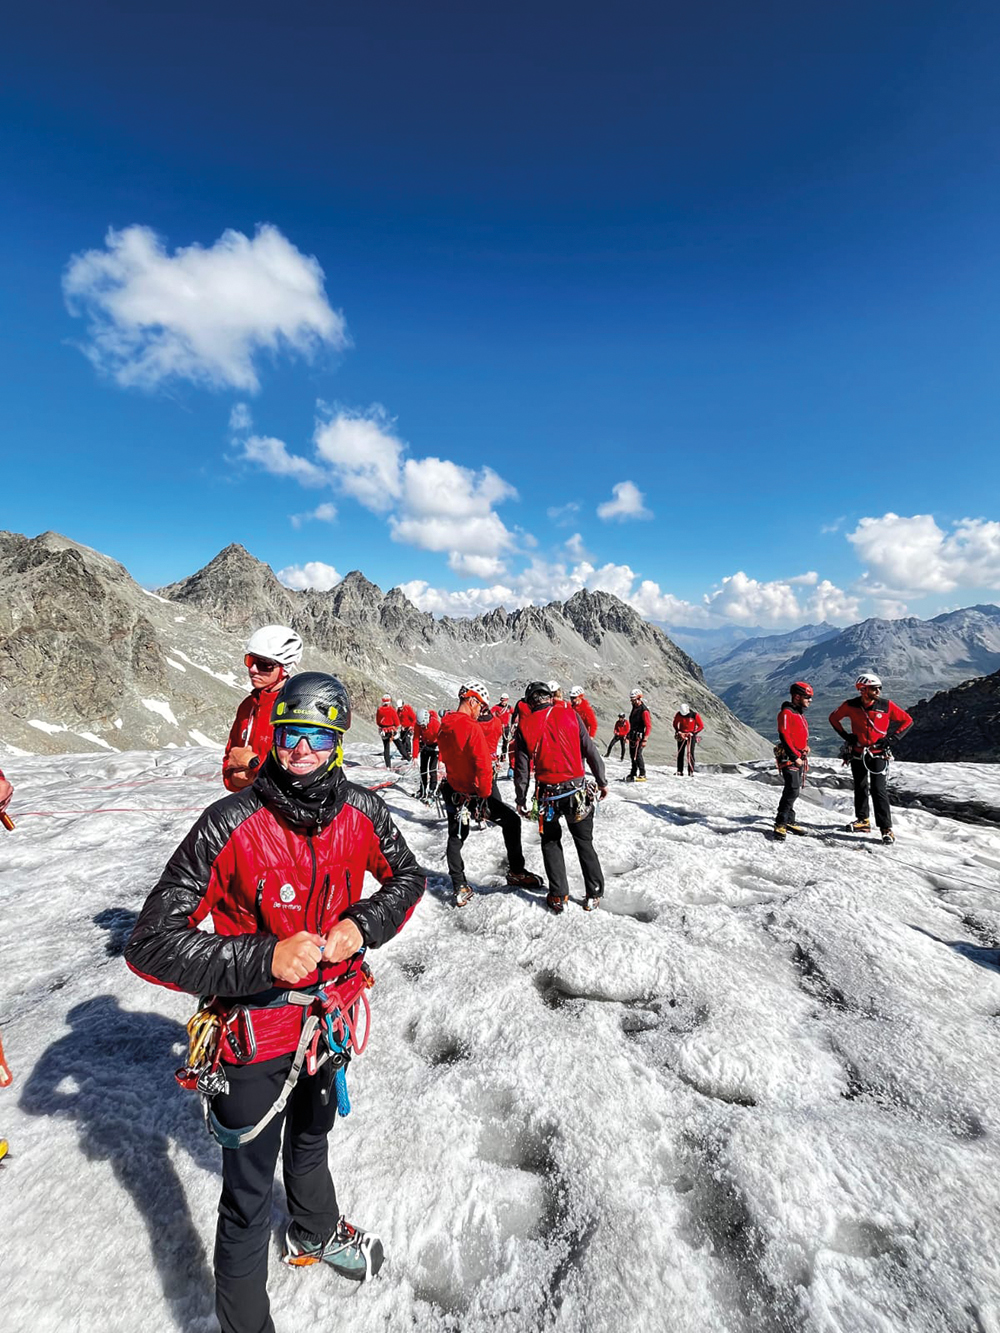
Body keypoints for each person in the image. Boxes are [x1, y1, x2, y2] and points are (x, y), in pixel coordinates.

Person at [125, 673, 424, 1333]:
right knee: (247, 1197)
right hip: (254, 1032)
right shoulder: (229, 823)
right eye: (289, 735)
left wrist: (363, 923)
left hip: (328, 1021)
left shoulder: (362, 812)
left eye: (317, 735)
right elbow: (150, 941)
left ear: (338, 742)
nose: (301, 750)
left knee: (313, 1137)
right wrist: (263, 958)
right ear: (274, 737)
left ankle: (314, 1229)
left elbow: (407, 876)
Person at [437, 681, 544, 906]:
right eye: (481, 706)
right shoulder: (471, 727)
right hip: (474, 793)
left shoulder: (445, 724)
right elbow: (483, 765)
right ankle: (516, 871)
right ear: (472, 701)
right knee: (512, 822)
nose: (481, 711)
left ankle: (459, 885)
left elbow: (446, 757)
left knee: (456, 837)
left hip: (454, 791)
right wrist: (485, 796)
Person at [513, 682, 608, 914]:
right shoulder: (571, 715)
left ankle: (558, 895)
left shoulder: (525, 726)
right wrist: (602, 781)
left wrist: (520, 798)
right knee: (584, 842)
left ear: (530, 702)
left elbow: (522, 769)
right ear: (550, 697)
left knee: (550, 842)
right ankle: (594, 892)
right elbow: (590, 750)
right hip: (577, 792)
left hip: (547, 796)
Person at [829, 673, 913, 844]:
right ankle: (863, 821)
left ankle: (886, 828)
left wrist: (892, 739)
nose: (878, 691)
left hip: (878, 754)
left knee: (878, 789)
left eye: (879, 688)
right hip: (858, 752)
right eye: (874, 688)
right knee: (860, 786)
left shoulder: (886, 705)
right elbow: (834, 718)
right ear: (862, 690)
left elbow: (907, 721)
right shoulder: (851, 705)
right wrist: (847, 736)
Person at [223, 626, 304, 791]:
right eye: (250, 661)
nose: (252, 669)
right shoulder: (248, 706)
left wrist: (253, 764)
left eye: (264, 665)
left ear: (284, 669)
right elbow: (230, 768)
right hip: (250, 799)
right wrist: (236, 778)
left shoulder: (299, 707)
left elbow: (301, 772)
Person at [773, 682, 813, 839]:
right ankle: (780, 822)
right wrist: (794, 756)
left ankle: (789, 819)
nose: (810, 700)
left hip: (798, 756)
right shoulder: (786, 713)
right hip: (790, 757)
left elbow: (798, 734)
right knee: (792, 789)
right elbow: (784, 735)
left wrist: (805, 747)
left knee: (793, 790)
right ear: (797, 697)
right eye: (807, 697)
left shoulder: (798, 713)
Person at [625, 689, 652, 783]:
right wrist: (628, 735)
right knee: (632, 755)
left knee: (638, 755)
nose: (632, 702)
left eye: (634, 700)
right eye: (631, 700)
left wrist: (645, 739)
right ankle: (633, 772)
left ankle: (642, 773)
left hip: (639, 737)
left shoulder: (644, 711)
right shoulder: (634, 708)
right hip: (633, 735)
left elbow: (648, 726)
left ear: (639, 698)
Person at [414, 707, 441, 801]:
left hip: (435, 746)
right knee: (423, 769)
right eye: (421, 726)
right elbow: (416, 738)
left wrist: (440, 759)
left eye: (423, 726)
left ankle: (432, 790)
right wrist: (414, 756)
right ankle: (422, 789)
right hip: (425, 745)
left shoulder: (436, 724)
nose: (422, 728)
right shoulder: (418, 725)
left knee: (432, 770)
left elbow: (442, 740)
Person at [375, 695, 406, 768]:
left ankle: (388, 766)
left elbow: (378, 721)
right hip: (392, 730)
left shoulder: (379, 710)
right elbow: (397, 722)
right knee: (399, 745)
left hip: (384, 731)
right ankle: (407, 758)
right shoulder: (392, 710)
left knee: (386, 748)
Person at [672, 704, 704, 776]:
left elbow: (701, 726)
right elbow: (675, 723)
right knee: (680, 753)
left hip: (691, 736)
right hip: (682, 735)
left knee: (690, 753)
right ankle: (679, 771)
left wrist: (693, 732)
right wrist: (678, 731)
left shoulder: (694, 715)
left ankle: (691, 771)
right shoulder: (678, 714)